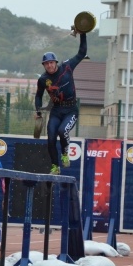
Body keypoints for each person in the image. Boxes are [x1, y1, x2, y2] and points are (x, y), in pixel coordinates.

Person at [35, 29, 87, 174]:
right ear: (44, 66)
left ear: (56, 62)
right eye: (46, 64)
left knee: (62, 131)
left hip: (71, 110)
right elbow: (38, 96)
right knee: (51, 137)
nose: (49, 66)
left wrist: (83, 33)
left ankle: (65, 154)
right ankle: (55, 166)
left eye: (51, 62)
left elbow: (82, 52)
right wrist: (38, 111)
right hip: (56, 111)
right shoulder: (43, 79)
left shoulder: (67, 67)